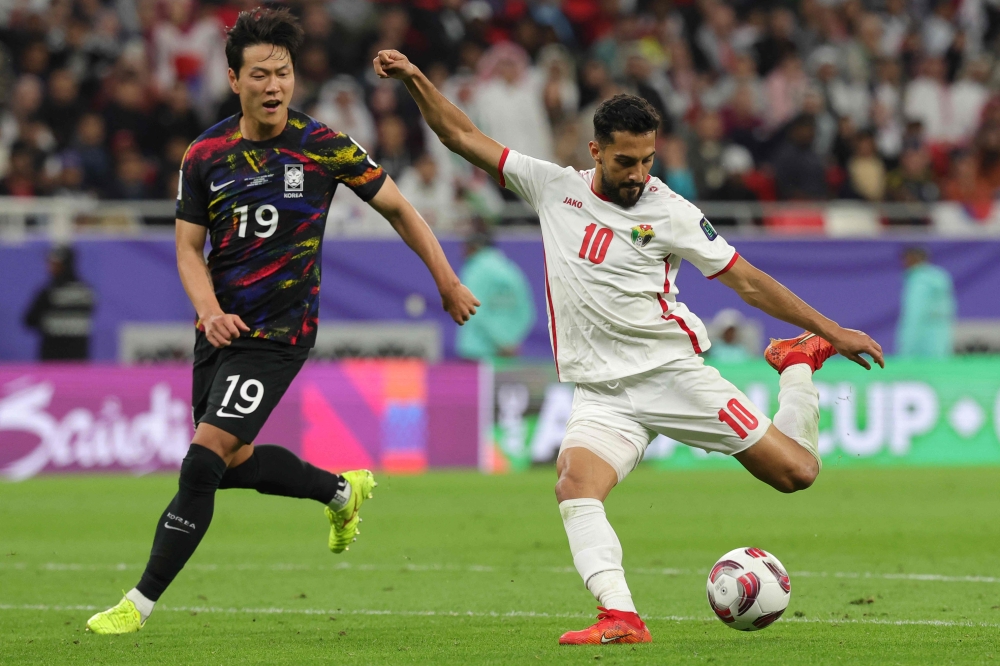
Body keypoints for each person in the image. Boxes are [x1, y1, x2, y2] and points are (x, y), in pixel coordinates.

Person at [375, 50, 884, 645]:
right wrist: (415, 78)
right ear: (595, 152)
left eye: (647, 160)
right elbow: (460, 134)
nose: (639, 173)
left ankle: (795, 365)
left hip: (671, 373)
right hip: (602, 392)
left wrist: (828, 332)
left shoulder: (672, 212)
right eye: (625, 161)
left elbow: (747, 280)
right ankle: (620, 616)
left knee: (797, 474)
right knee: (574, 484)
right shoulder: (553, 189)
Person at [85, 8, 479, 635]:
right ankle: (339, 492)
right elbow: (189, 249)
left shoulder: (321, 145)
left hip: (280, 334)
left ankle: (138, 604)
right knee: (232, 464)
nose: (274, 86)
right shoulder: (206, 153)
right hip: (220, 331)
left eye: (284, 74)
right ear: (235, 79)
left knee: (200, 463)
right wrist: (209, 312)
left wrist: (447, 280)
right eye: (261, 74)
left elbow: (400, 208)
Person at [455, 223, 536, 360]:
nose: (462, 252)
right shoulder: (511, 270)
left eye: (466, 247)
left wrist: (500, 343)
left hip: (476, 352)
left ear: (474, 247)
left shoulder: (474, 269)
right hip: (506, 354)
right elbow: (527, 313)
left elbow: (471, 309)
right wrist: (508, 342)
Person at [23, 245, 95, 361]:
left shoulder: (48, 292)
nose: (50, 267)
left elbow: (29, 320)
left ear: (65, 265)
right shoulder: (86, 291)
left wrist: (51, 324)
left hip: (53, 359)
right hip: (79, 358)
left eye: (55, 264)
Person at [896, 247, 955, 358]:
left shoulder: (920, 281)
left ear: (914, 258)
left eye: (906, 259)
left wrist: (907, 345)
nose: (904, 263)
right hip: (939, 334)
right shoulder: (939, 276)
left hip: (923, 337)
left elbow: (914, 313)